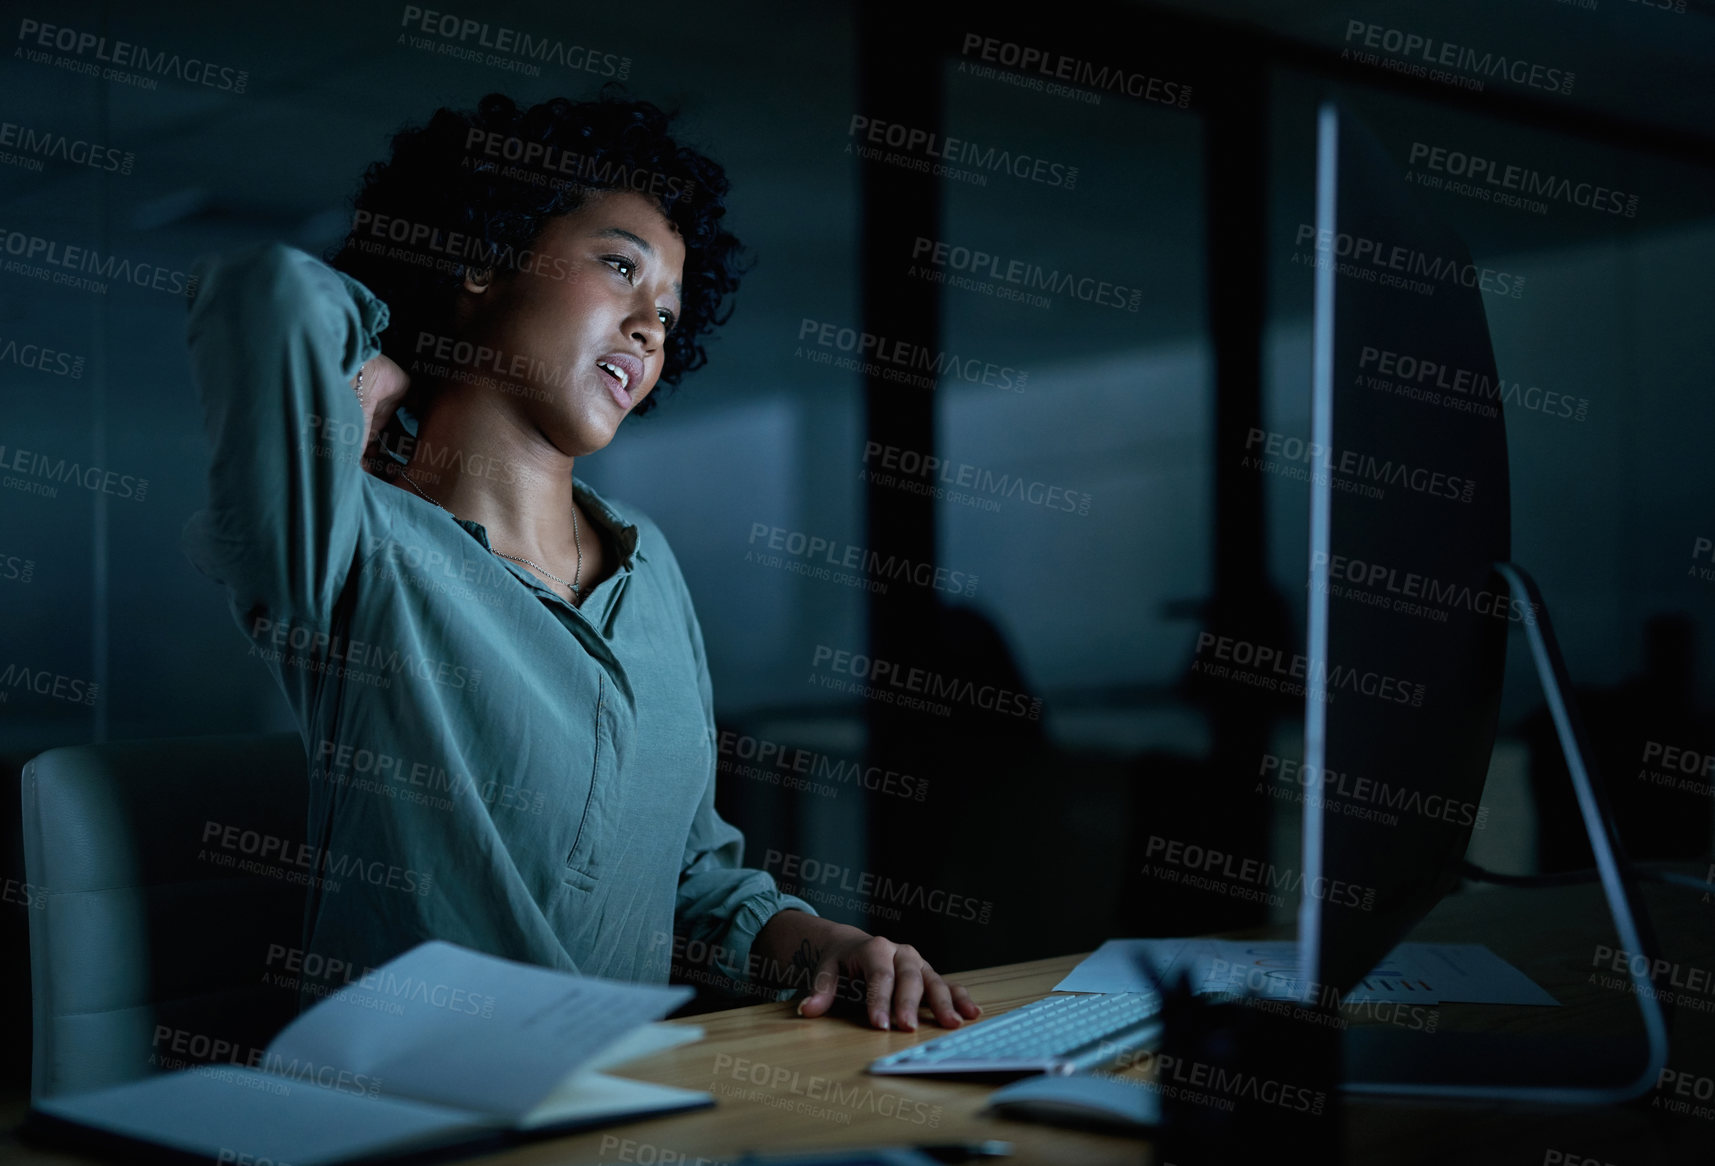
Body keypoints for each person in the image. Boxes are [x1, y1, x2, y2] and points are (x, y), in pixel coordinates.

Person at [181, 87, 979, 1032]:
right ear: (482, 255)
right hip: (411, 1111)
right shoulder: (358, 546)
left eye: (671, 315)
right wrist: (384, 369)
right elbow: (265, 296)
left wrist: (824, 945)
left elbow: (693, 882)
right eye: (618, 267)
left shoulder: (652, 569)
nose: (651, 328)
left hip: (622, 1104)